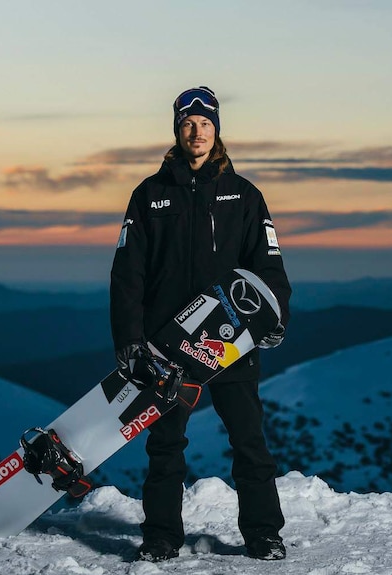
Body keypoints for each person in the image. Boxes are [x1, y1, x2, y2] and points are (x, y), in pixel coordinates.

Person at [109, 86, 292, 563]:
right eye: (189, 123)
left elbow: (269, 263)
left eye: (206, 123)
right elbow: (129, 273)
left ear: (217, 130)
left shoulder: (244, 196)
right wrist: (129, 339)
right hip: (168, 347)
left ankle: (263, 533)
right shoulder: (149, 196)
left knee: (249, 442)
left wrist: (275, 317)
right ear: (176, 128)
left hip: (231, 338)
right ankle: (162, 536)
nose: (197, 132)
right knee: (166, 445)